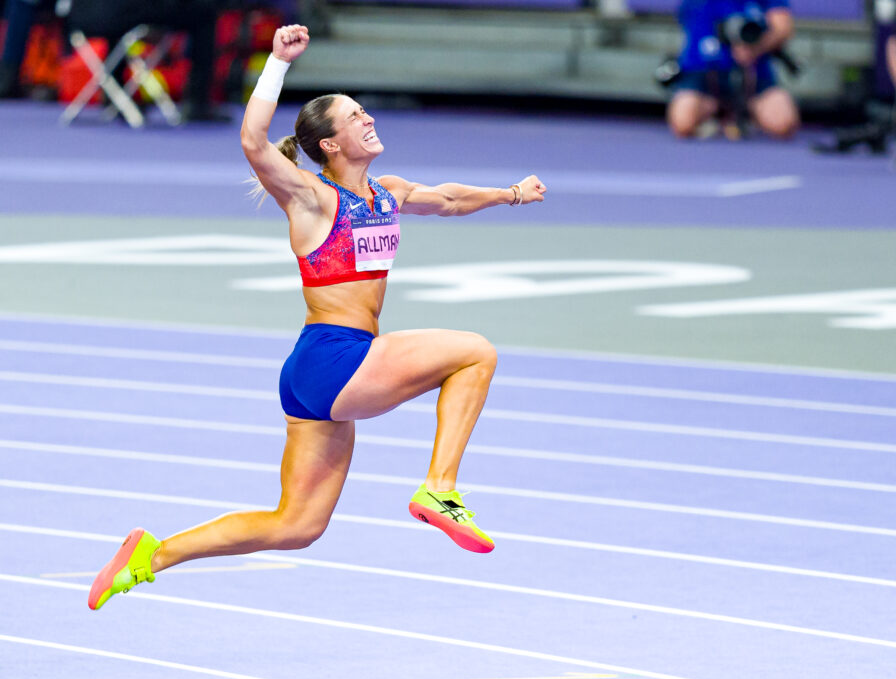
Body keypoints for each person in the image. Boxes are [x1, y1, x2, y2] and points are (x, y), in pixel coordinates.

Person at [87, 24, 547, 611]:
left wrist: (509, 193)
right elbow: (254, 141)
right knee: (476, 351)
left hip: (317, 372)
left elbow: (451, 199)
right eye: (354, 117)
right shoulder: (311, 198)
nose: (367, 119)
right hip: (336, 358)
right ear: (329, 144)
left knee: (296, 525)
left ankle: (152, 554)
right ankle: (439, 490)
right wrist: (277, 63)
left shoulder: (388, 192)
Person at [65, 0, 229, 121]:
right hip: (122, 12)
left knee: (118, 25)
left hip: (82, 15)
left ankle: (114, 97)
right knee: (204, 11)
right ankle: (197, 103)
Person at [666, 0, 799, 139]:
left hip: (754, 76)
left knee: (784, 123)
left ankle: (745, 115)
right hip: (702, 74)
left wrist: (756, 48)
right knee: (683, 122)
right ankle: (717, 113)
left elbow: (783, 27)